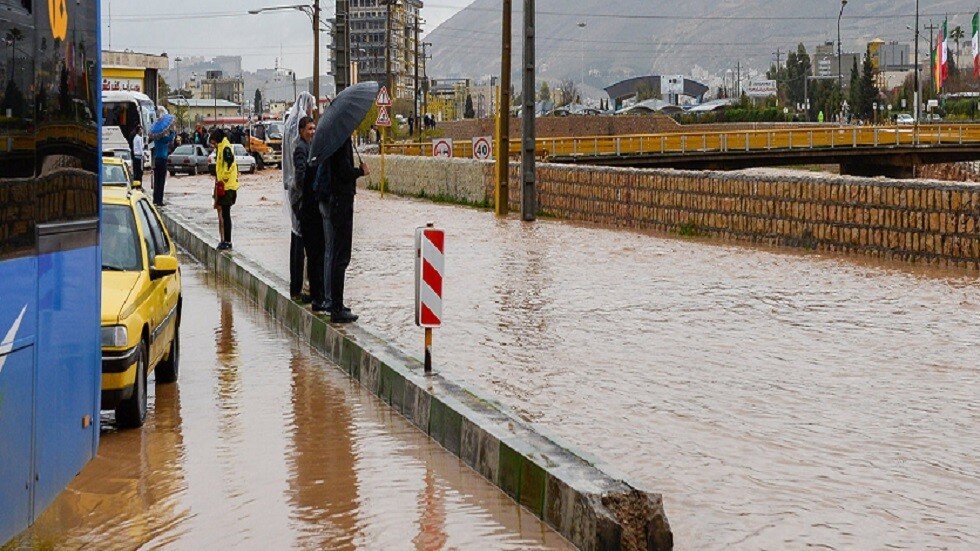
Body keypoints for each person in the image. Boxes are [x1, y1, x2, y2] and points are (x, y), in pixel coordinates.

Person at [319, 137, 369, 324]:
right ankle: (337, 308)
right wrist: (360, 171)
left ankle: (336, 304)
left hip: (338, 201)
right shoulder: (341, 143)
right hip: (341, 202)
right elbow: (343, 172)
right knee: (341, 256)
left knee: (339, 256)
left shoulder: (337, 141)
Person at [282, 92, 317, 302]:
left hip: (293, 191)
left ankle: (296, 285)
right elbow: (301, 171)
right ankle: (303, 287)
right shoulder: (300, 139)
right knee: (304, 243)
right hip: (300, 195)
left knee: (297, 239)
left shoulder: (290, 125)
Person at [293, 116, 328, 312]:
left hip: (313, 208)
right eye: (309, 128)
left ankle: (317, 294)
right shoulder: (301, 149)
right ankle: (316, 296)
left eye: (314, 128)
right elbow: (300, 178)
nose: (312, 132)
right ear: (301, 130)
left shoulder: (311, 148)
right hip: (308, 208)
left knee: (317, 253)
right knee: (314, 254)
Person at [211, 129, 239, 250]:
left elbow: (230, 164)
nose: (213, 146)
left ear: (217, 140)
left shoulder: (226, 148)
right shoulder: (221, 148)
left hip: (228, 187)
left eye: (213, 143)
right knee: (224, 213)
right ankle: (225, 240)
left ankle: (227, 241)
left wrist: (224, 178)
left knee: (226, 214)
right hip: (223, 185)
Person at [150, 125, 175, 206]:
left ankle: (155, 199)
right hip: (162, 160)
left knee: (156, 180)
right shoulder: (163, 139)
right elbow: (170, 138)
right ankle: (159, 201)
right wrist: (172, 131)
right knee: (161, 181)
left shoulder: (156, 139)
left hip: (156, 160)